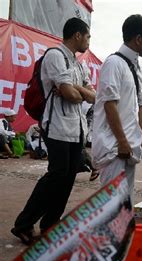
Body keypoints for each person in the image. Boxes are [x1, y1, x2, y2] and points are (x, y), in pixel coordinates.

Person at [11, 18, 96, 244]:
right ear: (77, 35)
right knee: (57, 174)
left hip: (77, 129)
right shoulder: (55, 56)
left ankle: (50, 223)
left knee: (68, 177)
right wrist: (77, 91)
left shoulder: (77, 64)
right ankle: (23, 224)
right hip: (57, 126)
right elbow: (72, 95)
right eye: (87, 36)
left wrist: (76, 88)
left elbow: (92, 94)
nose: (88, 41)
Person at [91, 14, 142, 201]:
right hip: (114, 146)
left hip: (130, 144)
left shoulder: (136, 67)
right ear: (138, 39)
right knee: (112, 204)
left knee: (124, 202)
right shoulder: (113, 63)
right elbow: (109, 104)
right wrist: (121, 141)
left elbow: (141, 104)